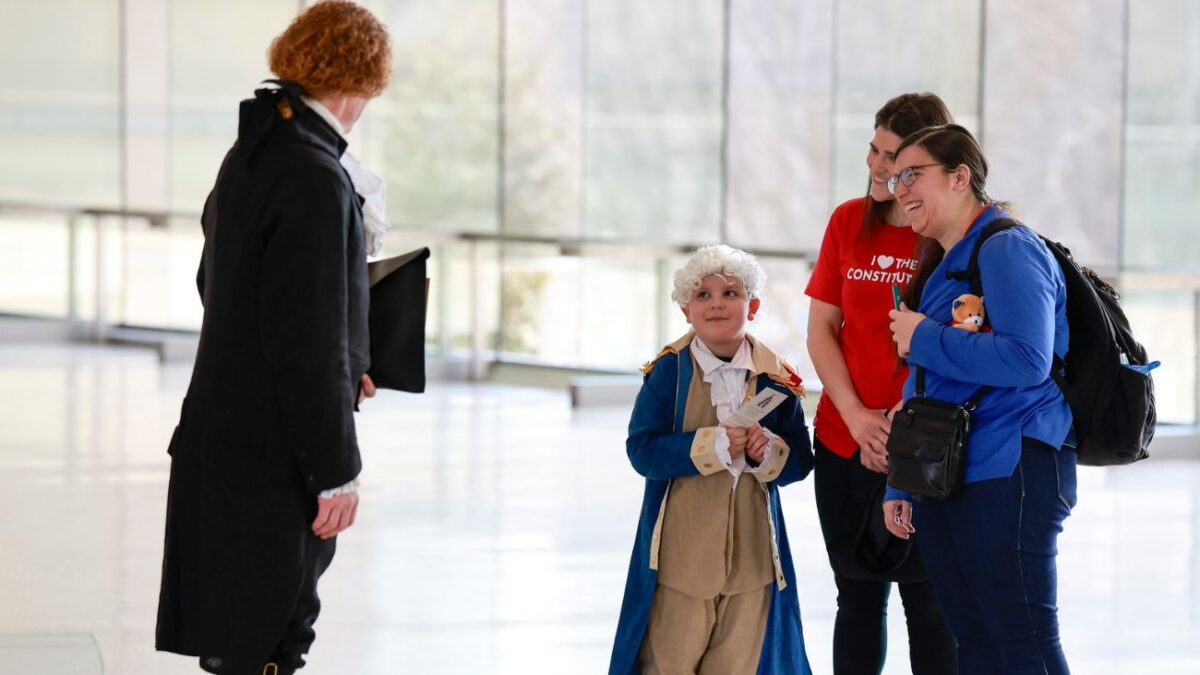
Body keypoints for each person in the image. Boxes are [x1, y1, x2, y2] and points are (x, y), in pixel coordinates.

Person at [155, 3, 391, 674]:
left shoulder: (253, 154)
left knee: (237, 637)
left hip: (223, 437)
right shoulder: (317, 176)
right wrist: (335, 467)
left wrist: (350, 362)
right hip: (275, 455)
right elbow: (305, 339)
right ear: (357, 83)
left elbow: (222, 286)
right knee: (273, 637)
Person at [883, 124, 1075, 674]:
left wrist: (922, 336)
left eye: (913, 174)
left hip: (1010, 467)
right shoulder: (947, 261)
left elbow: (1026, 359)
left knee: (1022, 639)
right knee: (974, 639)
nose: (900, 189)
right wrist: (903, 477)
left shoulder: (1007, 248)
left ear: (960, 176)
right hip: (949, 473)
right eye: (896, 177)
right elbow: (930, 383)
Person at [609, 245, 816, 675]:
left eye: (731, 293)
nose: (717, 303)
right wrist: (711, 445)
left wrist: (769, 453)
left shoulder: (776, 377)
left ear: (753, 305)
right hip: (680, 560)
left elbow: (799, 460)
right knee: (668, 663)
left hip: (754, 562)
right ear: (687, 310)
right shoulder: (669, 372)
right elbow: (642, 451)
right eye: (703, 295)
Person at [804, 93, 957, 674]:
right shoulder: (847, 220)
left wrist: (898, 426)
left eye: (891, 156)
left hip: (921, 448)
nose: (876, 165)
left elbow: (955, 345)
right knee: (857, 597)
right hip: (844, 439)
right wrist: (857, 416)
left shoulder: (945, 237)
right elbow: (822, 328)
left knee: (931, 602)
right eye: (873, 148)